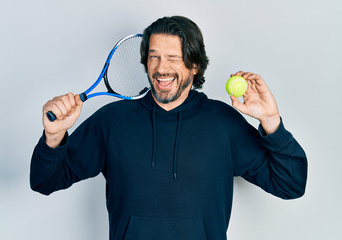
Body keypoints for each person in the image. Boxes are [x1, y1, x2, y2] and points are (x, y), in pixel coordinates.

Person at [30, 16, 308, 240]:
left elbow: (290, 184)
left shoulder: (224, 124)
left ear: (195, 65)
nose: (162, 69)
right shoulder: (112, 121)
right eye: (154, 57)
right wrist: (53, 138)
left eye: (173, 58)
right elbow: (45, 181)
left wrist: (271, 121)